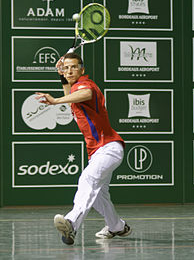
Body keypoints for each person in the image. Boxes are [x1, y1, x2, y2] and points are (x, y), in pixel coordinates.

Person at [35, 52, 132, 245]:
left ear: (82, 69)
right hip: (98, 152)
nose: (70, 71)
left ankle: (71, 223)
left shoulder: (86, 85)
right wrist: (61, 76)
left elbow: (85, 93)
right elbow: (71, 98)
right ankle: (117, 226)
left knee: (87, 179)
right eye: (66, 67)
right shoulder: (74, 90)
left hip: (109, 148)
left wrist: (54, 101)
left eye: (73, 67)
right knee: (98, 196)